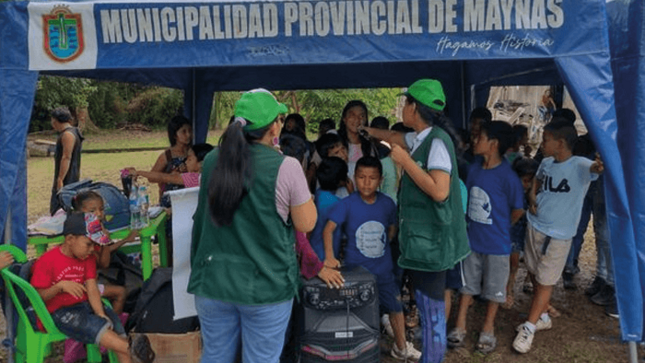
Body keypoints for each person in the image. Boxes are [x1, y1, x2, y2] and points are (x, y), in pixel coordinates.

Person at [188, 89, 317, 363]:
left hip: (214, 281)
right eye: (280, 119)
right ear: (274, 126)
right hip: (265, 286)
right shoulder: (287, 166)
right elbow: (306, 222)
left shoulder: (212, 160)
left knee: (215, 356)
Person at [361, 79, 470, 363]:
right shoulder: (423, 136)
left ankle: (433, 359)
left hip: (433, 243)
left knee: (432, 311)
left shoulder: (436, 143)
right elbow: (396, 139)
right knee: (424, 304)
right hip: (423, 243)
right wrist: (369, 131)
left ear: (413, 107)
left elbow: (440, 190)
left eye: (405, 103)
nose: (403, 108)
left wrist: (406, 162)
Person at [513, 119, 604, 354]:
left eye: (545, 140)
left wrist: (600, 165)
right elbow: (537, 180)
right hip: (536, 226)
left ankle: (529, 328)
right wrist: (532, 198)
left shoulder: (579, 164)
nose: (542, 144)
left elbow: (594, 169)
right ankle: (542, 315)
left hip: (559, 234)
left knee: (546, 280)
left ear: (560, 143)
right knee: (533, 271)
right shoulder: (546, 162)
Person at [323, 156, 421, 361]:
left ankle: (401, 347)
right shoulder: (347, 203)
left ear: (381, 179)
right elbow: (328, 229)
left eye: (372, 178)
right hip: (356, 272)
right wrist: (329, 257)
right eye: (361, 177)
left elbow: (392, 228)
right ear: (354, 177)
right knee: (358, 311)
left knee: (395, 307)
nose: (366, 182)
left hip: (383, 270)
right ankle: (358, 349)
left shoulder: (387, 204)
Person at [30, 212, 155, 363]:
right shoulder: (47, 261)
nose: (92, 250)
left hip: (86, 305)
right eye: (89, 244)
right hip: (59, 312)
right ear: (70, 239)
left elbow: (92, 288)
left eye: (95, 245)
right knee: (94, 326)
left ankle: (130, 348)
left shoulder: (87, 258)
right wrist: (59, 287)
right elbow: (37, 296)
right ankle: (132, 348)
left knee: (112, 324)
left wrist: (100, 312)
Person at [448, 121, 524, 354]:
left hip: (497, 244)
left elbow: (518, 209)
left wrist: (502, 226)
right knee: (467, 284)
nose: (475, 140)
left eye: (480, 137)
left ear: (493, 144)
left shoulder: (507, 177)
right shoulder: (474, 169)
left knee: (494, 287)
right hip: (473, 240)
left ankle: (488, 328)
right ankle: (459, 324)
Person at [72, 191, 134, 314]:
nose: (99, 214)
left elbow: (100, 255)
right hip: (83, 286)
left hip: (86, 279)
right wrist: (107, 240)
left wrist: (123, 240)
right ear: (79, 213)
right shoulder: (85, 237)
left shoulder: (83, 228)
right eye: (92, 211)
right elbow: (103, 263)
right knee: (120, 292)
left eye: (101, 209)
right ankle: (115, 327)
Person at [502, 157, 539, 310]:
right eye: (525, 180)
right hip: (508, 232)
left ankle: (510, 289)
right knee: (510, 263)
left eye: (531, 181)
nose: (527, 184)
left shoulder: (533, 196)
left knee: (516, 264)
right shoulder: (507, 193)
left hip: (522, 233)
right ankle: (506, 291)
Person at [309, 157, 348, 261]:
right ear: (341, 180)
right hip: (327, 255)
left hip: (313, 251)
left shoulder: (316, 195)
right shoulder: (338, 204)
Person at [128, 143, 214, 188]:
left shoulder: (194, 178)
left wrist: (139, 172)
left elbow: (162, 177)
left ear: (201, 163)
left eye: (190, 159)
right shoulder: (212, 177)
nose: (186, 162)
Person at [150, 115, 193, 206]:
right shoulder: (167, 156)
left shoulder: (194, 153)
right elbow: (151, 177)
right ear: (174, 135)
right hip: (171, 202)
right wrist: (170, 176)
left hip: (190, 199)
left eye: (189, 131)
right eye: (183, 132)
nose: (188, 135)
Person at [50, 107, 84, 215]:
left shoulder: (67, 134)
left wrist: (60, 179)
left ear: (55, 120)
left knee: (60, 207)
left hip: (68, 176)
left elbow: (66, 157)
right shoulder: (74, 131)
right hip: (71, 174)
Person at [338, 100, 377, 181]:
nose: (357, 119)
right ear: (344, 119)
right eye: (352, 115)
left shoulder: (369, 145)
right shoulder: (335, 139)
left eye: (361, 116)